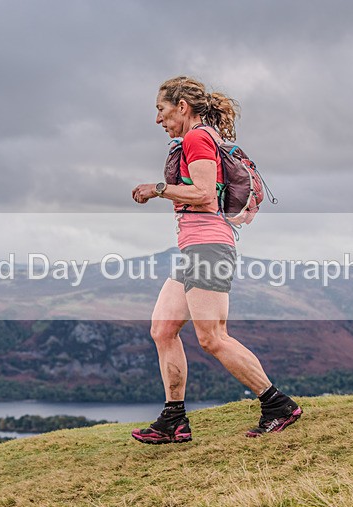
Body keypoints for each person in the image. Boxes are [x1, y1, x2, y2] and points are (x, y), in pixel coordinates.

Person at [130, 76, 303, 443]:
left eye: (161, 110)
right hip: (195, 248)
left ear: (181, 106)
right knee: (163, 328)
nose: (158, 119)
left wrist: (157, 189)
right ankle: (174, 419)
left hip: (209, 247)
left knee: (212, 338)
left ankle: (278, 405)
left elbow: (204, 193)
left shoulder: (197, 138)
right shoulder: (199, 137)